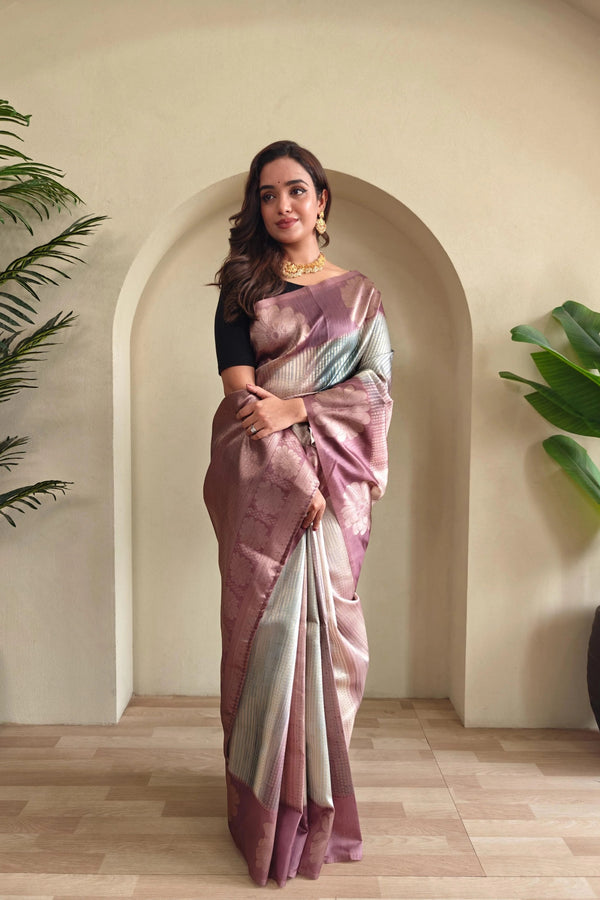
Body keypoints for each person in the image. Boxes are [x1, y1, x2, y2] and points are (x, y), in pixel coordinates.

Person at [203, 140, 393, 887]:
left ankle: (312, 801)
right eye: (267, 194)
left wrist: (303, 409)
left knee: (328, 639)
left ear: (321, 201)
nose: (282, 205)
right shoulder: (241, 286)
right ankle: (259, 811)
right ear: (257, 206)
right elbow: (241, 396)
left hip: (340, 482)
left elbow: (378, 393)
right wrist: (293, 476)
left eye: (295, 191)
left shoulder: (362, 296)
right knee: (270, 633)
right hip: (262, 479)